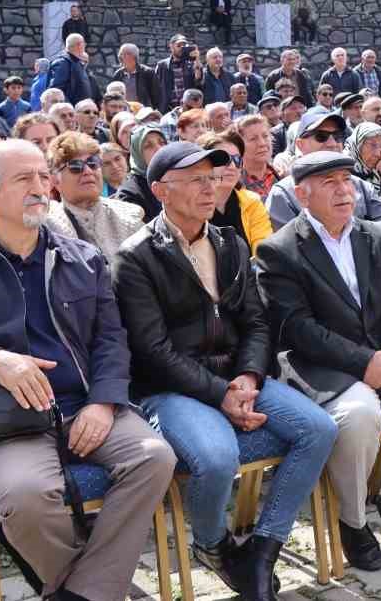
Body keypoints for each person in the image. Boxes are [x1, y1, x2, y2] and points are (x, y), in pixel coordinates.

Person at [0, 139, 178, 601]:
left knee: (155, 457)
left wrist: (103, 403)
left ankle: (81, 592)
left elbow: (111, 341)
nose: (39, 187)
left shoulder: (82, 257)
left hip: (82, 405)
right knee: (28, 497)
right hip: (2, 423)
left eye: (42, 176)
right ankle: (104, 590)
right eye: (23, 178)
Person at [114, 140, 336, 600]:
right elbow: (152, 350)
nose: (208, 188)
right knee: (217, 459)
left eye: (213, 178)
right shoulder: (135, 256)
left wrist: (250, 377)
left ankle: (263, 548)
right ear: (160, 190)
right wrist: (221, 393)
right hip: (171, 388)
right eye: (195, 179)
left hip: (236, 375)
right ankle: (212, 545)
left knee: (318, 428)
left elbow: (256, 320)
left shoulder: (229, 241)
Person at [257, 151, 381, 568]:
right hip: (327, 365)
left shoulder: (373, 235)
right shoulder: (279, 250)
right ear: (302, 194)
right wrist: (364, 362)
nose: (343, 190)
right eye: (329, 182)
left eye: (346, 181)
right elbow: (297, 328)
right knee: (360, 415)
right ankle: (352, 521)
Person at [268, 108, 381, 224]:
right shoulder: (284, 195)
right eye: (321, 136)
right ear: (300, 145)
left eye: (337, 136)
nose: (332, 143)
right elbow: (288, 247)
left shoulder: (362, 187)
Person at [44, 132, 145, 263]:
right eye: (75, 166)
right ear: (55, 180)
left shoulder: (130, 215)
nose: (87, 171)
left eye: (93, 163)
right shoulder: (47, 227)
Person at [201, 131, 274, 252]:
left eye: (237, 159)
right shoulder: (191, 205)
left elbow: (263, 251)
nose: (232, 166)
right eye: (224, 160)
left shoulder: (252, 202)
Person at [116, 125, 169, 220]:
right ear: (138, 154)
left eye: (162, 143)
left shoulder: (177, 178)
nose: (159, 149)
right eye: (148, 146)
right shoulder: (129, 194)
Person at [48, 33, 96, 107]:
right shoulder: (63, 63)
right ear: (79, 45)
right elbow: (56, 90)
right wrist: (68, 108)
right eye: (84, 44)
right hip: (70, 112)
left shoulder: (77, 62)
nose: (85, 46)